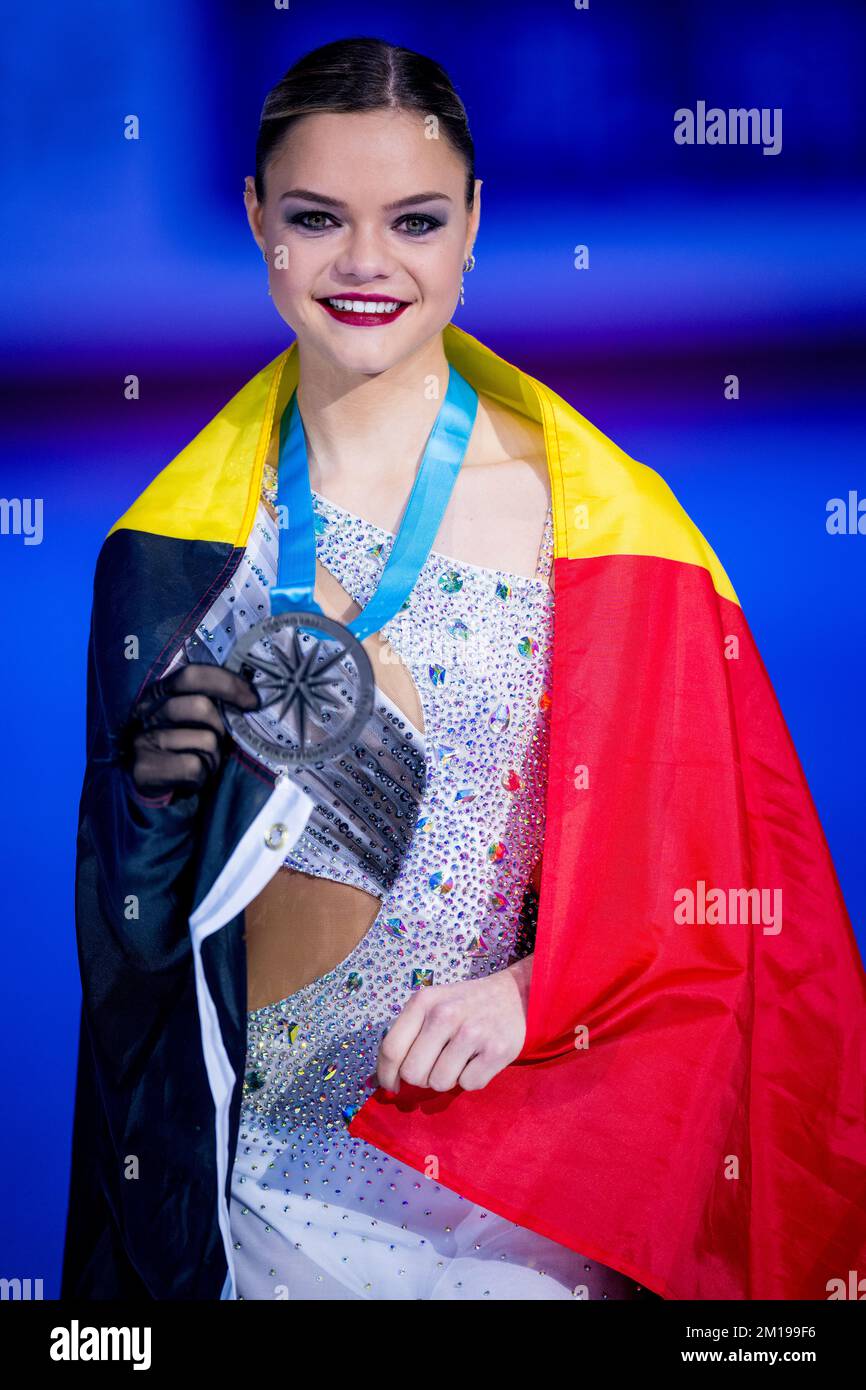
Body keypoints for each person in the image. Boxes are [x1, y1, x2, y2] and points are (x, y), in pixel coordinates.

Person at [61, 37, 866, 1302]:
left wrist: (541, 990)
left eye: (415, 220)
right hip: (254, 1211)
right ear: (256, 219)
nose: (367, 265)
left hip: (526, 1194)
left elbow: (731, 909)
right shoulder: (175, 551)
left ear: (476, 224)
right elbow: (137, 967)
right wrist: (147, 820)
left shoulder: (608, 533)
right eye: (318, 218)